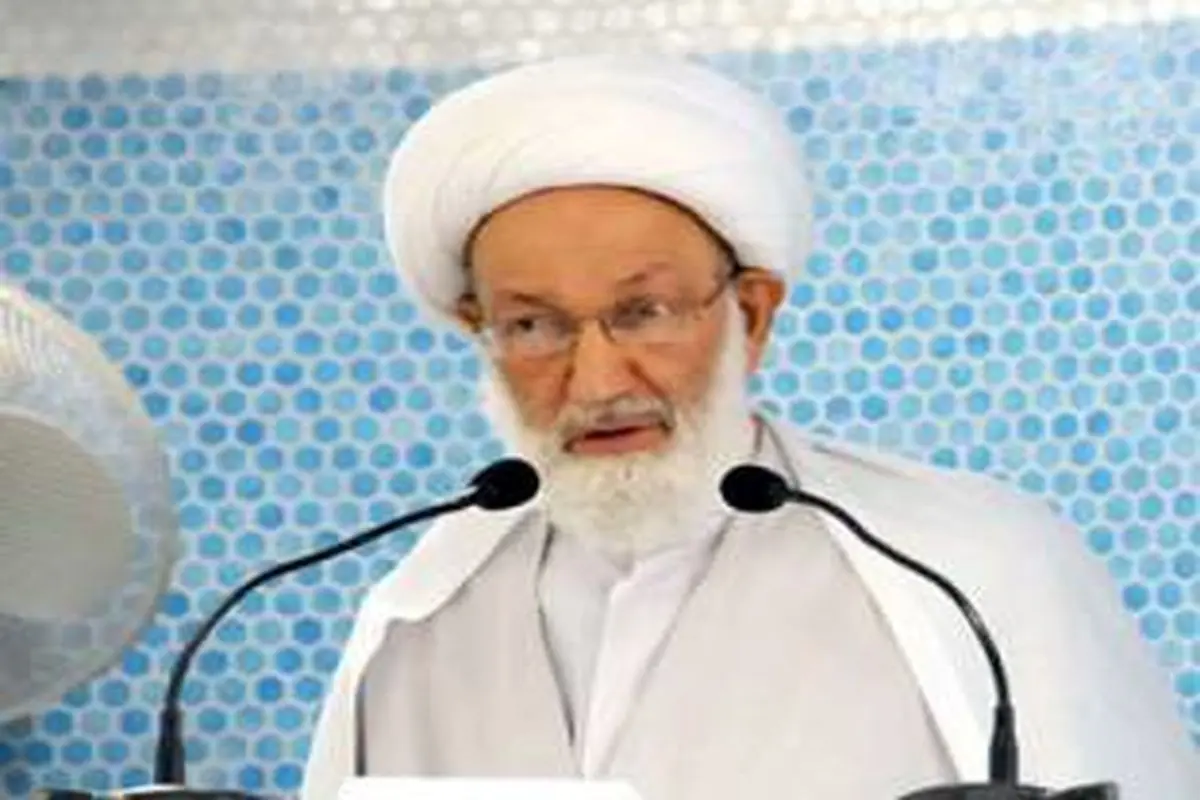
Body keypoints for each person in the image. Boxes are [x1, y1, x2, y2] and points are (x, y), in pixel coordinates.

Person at [300, 55, 1197, 800]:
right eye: (534, 325)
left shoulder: (972, 566)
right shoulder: (414, 624)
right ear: (481, 334)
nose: (597, 380)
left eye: (645, 312)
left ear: (752, 314)